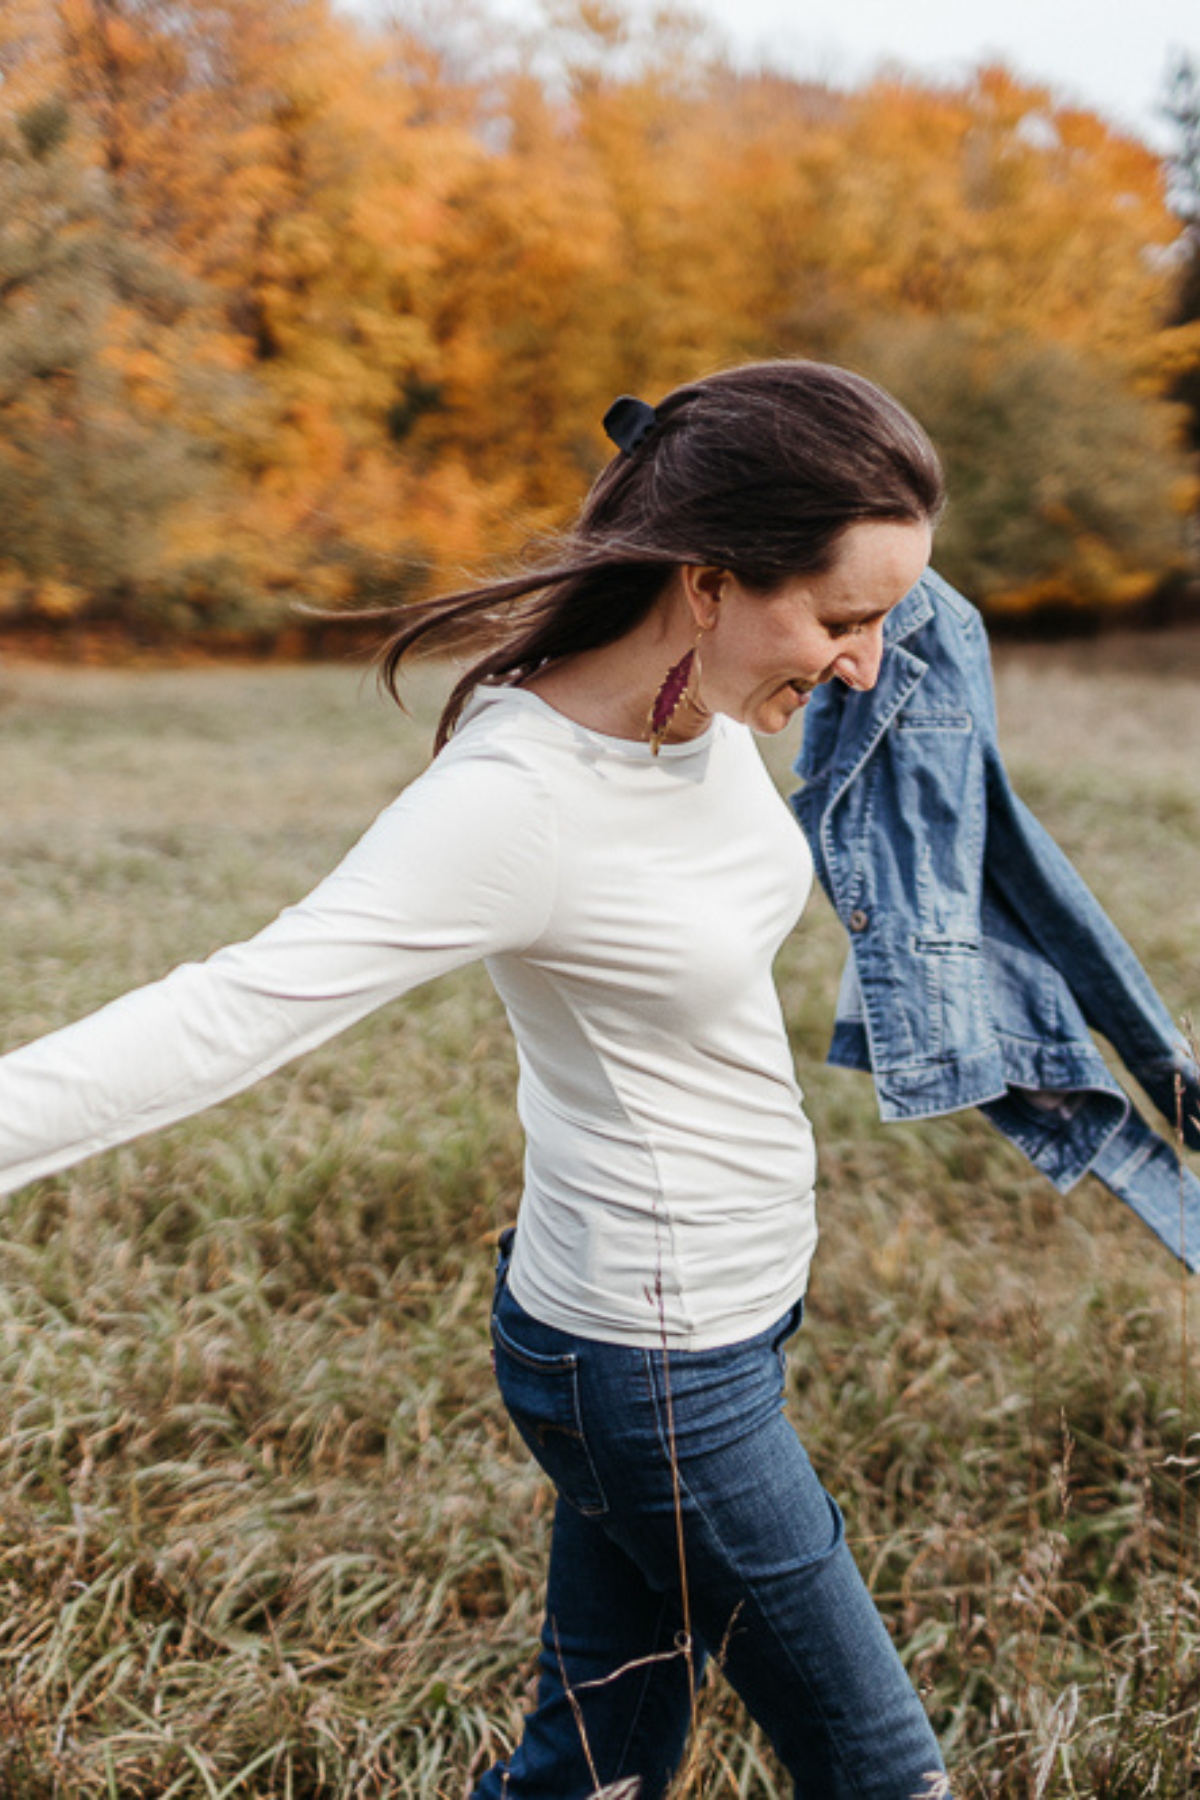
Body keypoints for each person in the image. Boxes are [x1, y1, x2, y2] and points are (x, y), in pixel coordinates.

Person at [0, 360, 950, 1799]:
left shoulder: (700, 705)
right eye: (843, 620)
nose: (872, 659)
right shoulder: (519, 801)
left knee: (595, 1771)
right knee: (887, 1773)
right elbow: (231, 1011)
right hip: (655, 1366)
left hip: (723, 1315)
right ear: (705, 581)